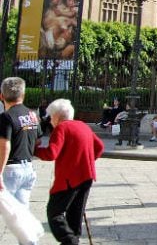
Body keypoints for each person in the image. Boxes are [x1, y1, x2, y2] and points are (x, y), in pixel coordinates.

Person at [34, 99, 104, 245]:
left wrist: (34, 150)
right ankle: (74, 239)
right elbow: (99, 147)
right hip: (87, 176)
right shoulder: (83, 125)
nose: (50, 120)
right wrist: (86, 161)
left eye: (51, 117)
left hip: (69, 179)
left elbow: (51, 153)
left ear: (57, 116)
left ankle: (70, 241)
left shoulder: (61, 128)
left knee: (54, 213)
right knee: (75, 214)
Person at [0, 77, 41, 210]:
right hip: (28, 168)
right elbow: (38, 140)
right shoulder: (32, 114)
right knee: (21, 213)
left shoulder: (6, 117)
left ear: (2, 96)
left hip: (10, 170)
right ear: (23, 95)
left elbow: (4, 145)